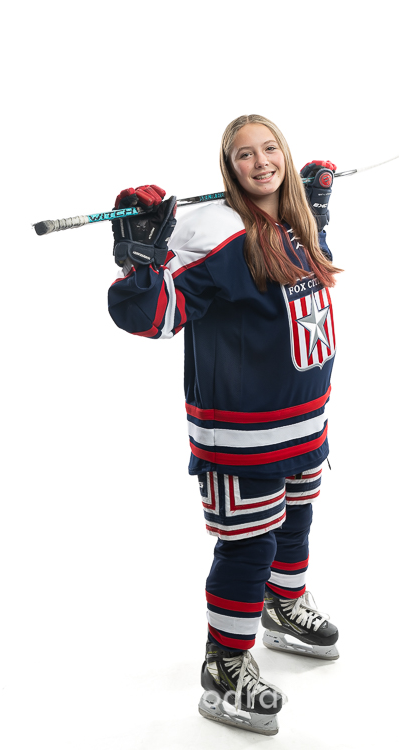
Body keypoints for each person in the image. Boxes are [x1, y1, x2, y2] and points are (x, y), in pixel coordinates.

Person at [108, 114, 342, 736]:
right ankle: (225, 665)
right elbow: (155, 316)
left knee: (297, 520)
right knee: (248, 547)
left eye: (270, 149)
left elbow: (299, 280)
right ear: (228, 167)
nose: (262, 162)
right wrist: (141, 261)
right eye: (245, 155)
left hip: (305, 421)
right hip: (244, 435)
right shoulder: (214, 235)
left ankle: (283, 604)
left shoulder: (295, 223)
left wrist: (316, 211)